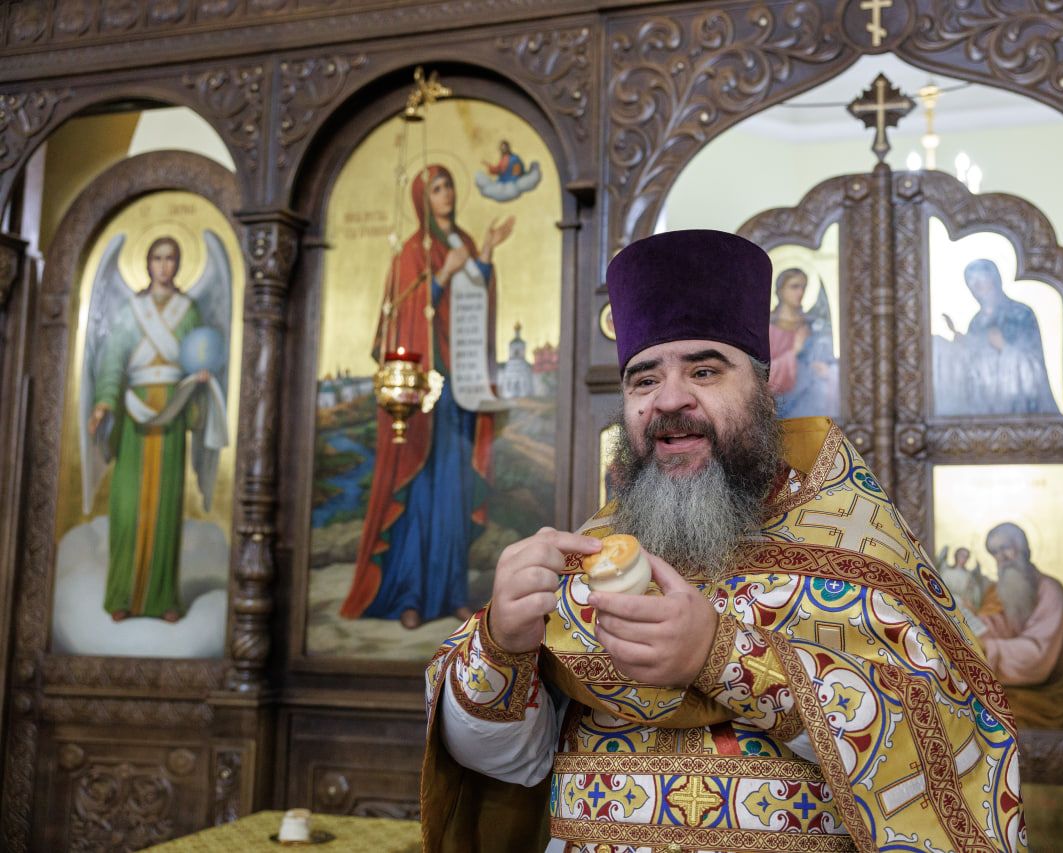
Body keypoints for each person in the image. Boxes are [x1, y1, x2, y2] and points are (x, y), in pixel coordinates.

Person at [419, 230, 1027, 851]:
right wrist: (502, 643)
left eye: (704, 371)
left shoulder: (855, 545)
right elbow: (507, 765)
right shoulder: (586, 556)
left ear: (763, 388)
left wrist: (724, 657)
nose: (670, 399)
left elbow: (950, 745)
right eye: (643, 380)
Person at [340, 165, 514, 628]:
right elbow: (402, 317)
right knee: (420, 491)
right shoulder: (411, 253)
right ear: (422, 198)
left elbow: (475, 303)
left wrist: (486, 254)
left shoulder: (464, 242)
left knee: (455, 492)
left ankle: (452, 592)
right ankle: (411, 596)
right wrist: (442, 276)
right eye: (437, 188)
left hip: (460, 386)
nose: (446, 194)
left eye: (449, 185)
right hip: (423, 393)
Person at [87, 237, 215, 622]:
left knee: (164, 508)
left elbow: (199, 354)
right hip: (134, 413)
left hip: (172, 410)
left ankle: (163, 599)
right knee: (128, 507)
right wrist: (103, 402)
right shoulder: (132, 310)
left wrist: (200, 379)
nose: (163, 265)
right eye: (157, 258)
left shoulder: (188, 311)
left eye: (170, 258)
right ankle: (121, 595)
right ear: (147, 263)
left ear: (178, 264)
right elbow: (113, 359)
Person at [976, 522, 1063, 729]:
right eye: (995, 552)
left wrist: (987, 648)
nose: (1002, 558)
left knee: (997, 716)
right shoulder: (1007, 589)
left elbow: (1037, 654)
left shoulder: (1050, 590)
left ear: (1023, 548)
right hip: (1023, 681)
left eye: (1006, 548)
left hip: (1060, 687)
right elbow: (1000, 626)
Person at [934, 259, 1059, 416]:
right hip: (986, 406)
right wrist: (963, 343)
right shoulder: (976, 322)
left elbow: (1034, 365)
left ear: (994, 279)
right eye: (971, 280)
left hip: (1021, 406)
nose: (976, 285)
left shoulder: (1020, 313)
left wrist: (1005, 347)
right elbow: (973, 365)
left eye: (981, 278)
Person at [767, 267, 837, 417]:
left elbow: (827, 359)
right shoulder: (768, 328)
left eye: (803, 287)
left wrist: (827, 369)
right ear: (780, 290)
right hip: (782, 407)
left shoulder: (813, 325)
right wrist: (794, 351)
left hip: (812, 402)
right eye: (794, 287)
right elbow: (763, 374)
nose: (800, 292)